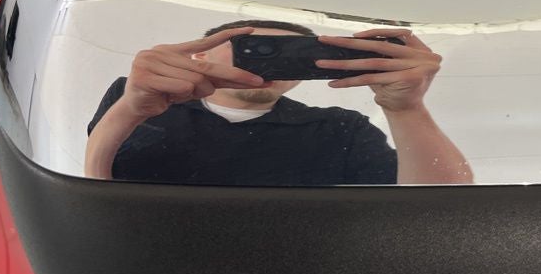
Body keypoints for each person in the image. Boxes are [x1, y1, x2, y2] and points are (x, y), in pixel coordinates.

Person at [85, 20, 473, 185]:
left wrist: (406, 108)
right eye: (253, 48)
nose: (270, 62)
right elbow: (94, 182)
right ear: (200, 54)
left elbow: (434, 207)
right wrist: (130, 109)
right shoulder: (138, 97)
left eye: (293, 55)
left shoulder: (339, 128)